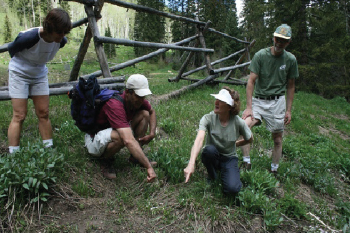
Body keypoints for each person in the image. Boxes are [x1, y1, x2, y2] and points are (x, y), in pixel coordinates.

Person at [7, 8, 72, 154]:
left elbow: (52, 47)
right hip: (19, 72)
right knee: (19, 114)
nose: (62, 36)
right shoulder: (29, 37)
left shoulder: (61, 41)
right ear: (50, 28)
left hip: (39, 74)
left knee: (43, 112)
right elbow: (12, 50)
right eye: (59, 32)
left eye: (65, 33)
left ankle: (48, 150)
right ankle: (14, 154)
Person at [241, 24, 299, 173]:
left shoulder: (291, 60)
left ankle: (274, 170)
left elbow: (291, 86)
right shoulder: (261, 55)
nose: (279, 43)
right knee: (243, 126)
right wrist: (249, 107)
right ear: (273, 38)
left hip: (277, 102)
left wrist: (289, 110)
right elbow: (251, 81)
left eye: (283, 40)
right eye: (277, 39)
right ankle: (246, 162)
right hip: (259, 101)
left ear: (288, 42)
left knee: (278, 139)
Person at [84, 74, 157, 182]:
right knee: (122, 136)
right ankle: (105, 160)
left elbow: (151, 112)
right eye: (139, 96)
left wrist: (152, 133)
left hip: (111, 133)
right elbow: (128, 140)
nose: (142, 100)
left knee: (144, 114)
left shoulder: (137, 100)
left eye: (143, 96)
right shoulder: (114, 104)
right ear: (127, 92)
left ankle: (135, 157)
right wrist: (148, 167)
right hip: (94, 139)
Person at [184, 87, 253, 195]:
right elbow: (199, 139)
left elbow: (250, 139)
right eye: (217, 99)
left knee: (233, 189)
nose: (216, 102)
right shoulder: (208, 118)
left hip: (229, 158)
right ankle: (213, 176)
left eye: (221, 101)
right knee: (208, 151)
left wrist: (236, 144)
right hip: (213, 155)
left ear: (230, 107)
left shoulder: (238, 122)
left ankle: (228, 172)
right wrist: (191, 163)